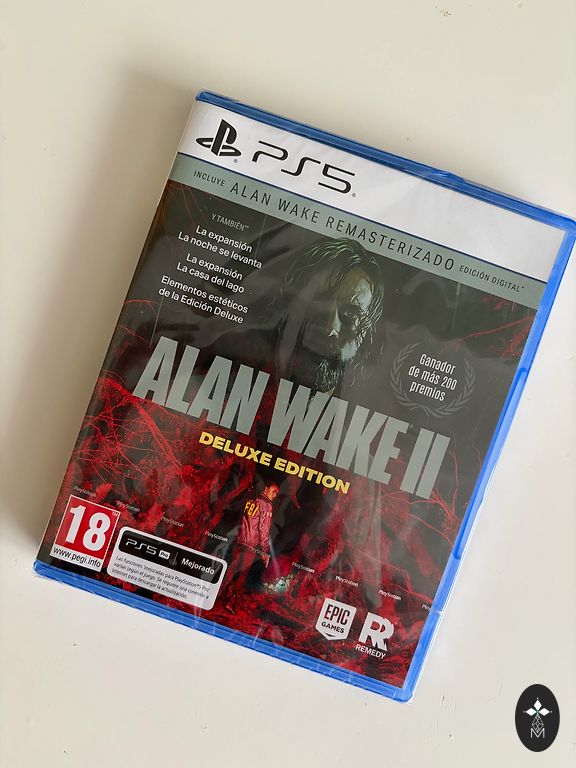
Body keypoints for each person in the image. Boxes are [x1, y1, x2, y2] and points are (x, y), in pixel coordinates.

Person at [221, 482, 280, 612]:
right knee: (241, 574)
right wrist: (264, 550)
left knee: (232, 569)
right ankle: (230, 602)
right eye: (273, 491)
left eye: (277, 493)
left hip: (240, 540)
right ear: (266, 489)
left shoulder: (252, 499)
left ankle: (219, 594)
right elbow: (263, 529)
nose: (275, 495)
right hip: (251, 545)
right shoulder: (266, 505)